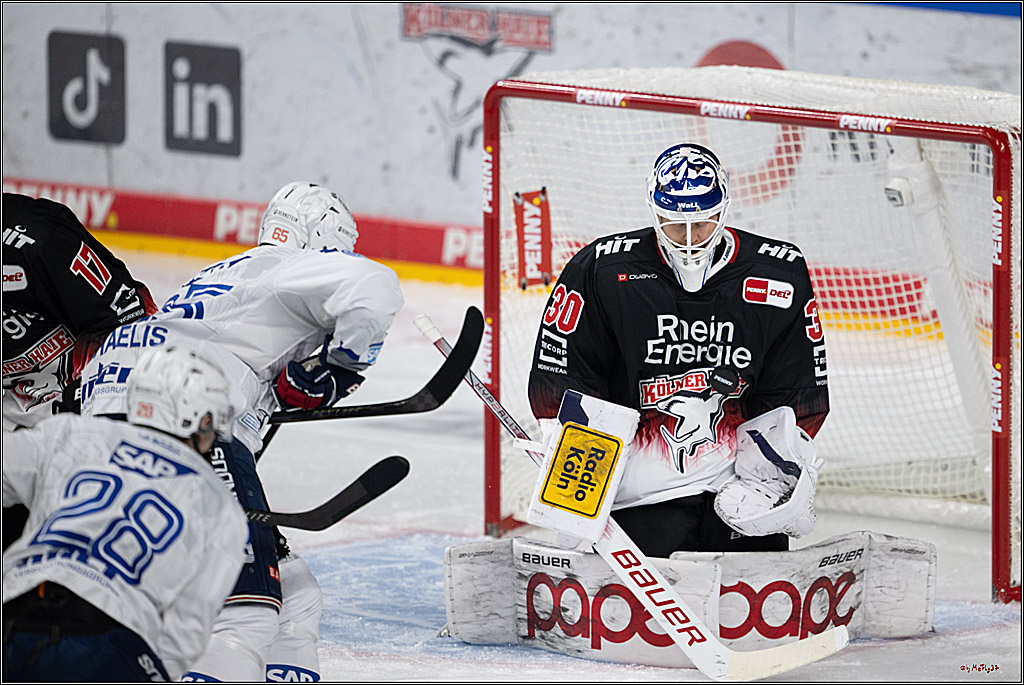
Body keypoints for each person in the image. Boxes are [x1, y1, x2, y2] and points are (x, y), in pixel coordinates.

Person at [80, 181, 405, 681]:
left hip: (113, 419)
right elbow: (376, 287)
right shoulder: (286, 267)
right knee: (243, 614)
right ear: (323, 238)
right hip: (181, 417)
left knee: (296, 595)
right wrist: (340, 364)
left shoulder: (227, 278)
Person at [527, 143, 829, 557]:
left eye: (702, 223)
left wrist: (768, 475)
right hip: (639, 495)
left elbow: (795, 388)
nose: (689, 239)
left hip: (735, 493)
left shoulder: (779, 273)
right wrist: (576, 479)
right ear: (654, 212)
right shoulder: (601, 269)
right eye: (673, 223)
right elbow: (565, 374)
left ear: (723, 208)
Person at [2, 345, 248, 682]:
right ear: (197, 417)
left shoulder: (70, 432)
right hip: (110, 640)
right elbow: (184, 635)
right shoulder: (219, 503)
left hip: (14, 609)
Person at [2, 192, 158, 431]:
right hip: (17, 422)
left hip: (91, 406)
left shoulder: (41, 242)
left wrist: (87, 404)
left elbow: (129, 321)